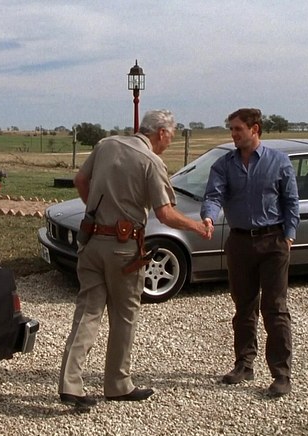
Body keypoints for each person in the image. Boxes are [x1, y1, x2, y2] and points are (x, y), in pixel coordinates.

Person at [58, 109, 212, 408]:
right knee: (124, 315)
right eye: (171, 136)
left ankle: (70, 384)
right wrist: (196, 226)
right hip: (123, 249)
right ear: (161, 133)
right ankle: (117, 384)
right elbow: (165, 214)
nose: (169, 142)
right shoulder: (151, 162)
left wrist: (96, 213)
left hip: (91, 242)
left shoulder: (106, 145)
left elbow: (80, 180)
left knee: (88, 313)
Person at [200, 108, 299, 397]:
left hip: (273, 243)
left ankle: (281, 374)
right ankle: (244, 364)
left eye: (238, 129)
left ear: (254, 129)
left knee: (275, 309)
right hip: (240, 243)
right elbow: (214, 195)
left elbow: (291, 200)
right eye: (231, 129)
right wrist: (208, 217)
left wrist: (289, 235)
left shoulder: (278, 162)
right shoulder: (224, 164)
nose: (233, 134)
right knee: (243, 307)